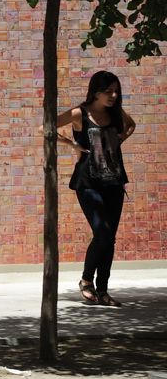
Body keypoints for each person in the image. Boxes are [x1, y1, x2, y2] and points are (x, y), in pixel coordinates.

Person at [56, 70, 136, 307]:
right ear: (95, 91)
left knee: (109, 238)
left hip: (114, 181)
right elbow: (45, 128)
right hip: (88, 183)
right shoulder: (79, 113)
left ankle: (103, 290)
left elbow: (131, 125)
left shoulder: (115, 113)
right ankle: (86, 280)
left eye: (116, 91)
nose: (113, 95)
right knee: (102, 232)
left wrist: (118, 139)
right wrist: (72, 145)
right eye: (108, 91)